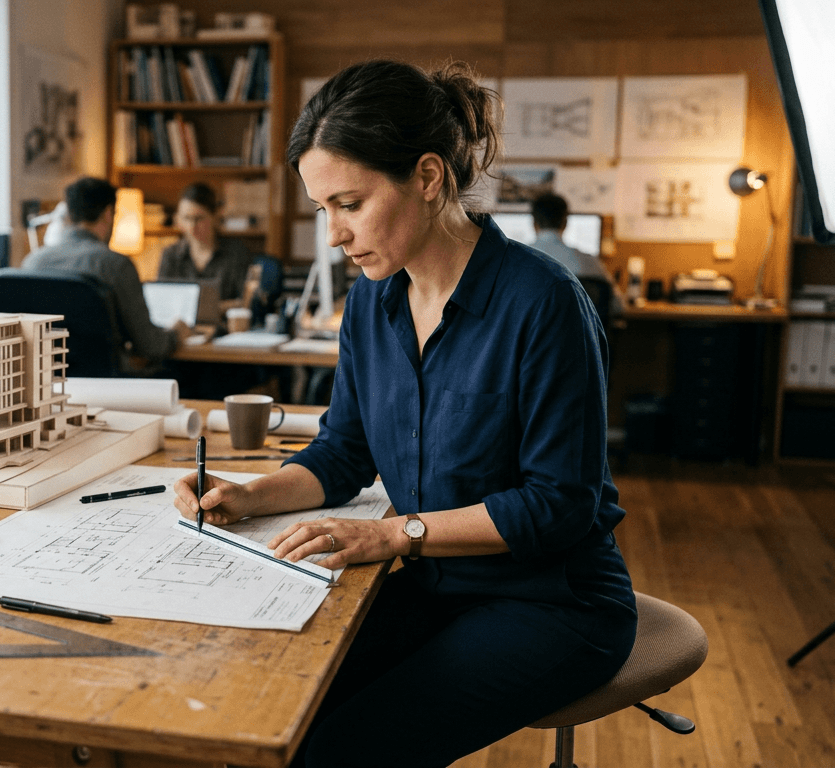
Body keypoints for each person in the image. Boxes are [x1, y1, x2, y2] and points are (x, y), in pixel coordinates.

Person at [172, 59, 637, 767]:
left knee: (342, 751)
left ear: (427, 177)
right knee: (269, 708)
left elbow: (557, 507)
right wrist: (248, 495)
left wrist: (393, 535)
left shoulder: (543, 303)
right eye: (322, 209)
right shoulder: (371, 298)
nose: (334, 234)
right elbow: (343, 452)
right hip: (432, 584)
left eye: (349, 204)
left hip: (552, 602)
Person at [23, 176, 191, 366]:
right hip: (106, 380)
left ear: (68, 214)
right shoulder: (116, 266)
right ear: (108, 214)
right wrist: (176, 333)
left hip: (48, 378)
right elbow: (150, 346)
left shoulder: (32, 263)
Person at [530, 192, 626, 316]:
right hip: (577, 328)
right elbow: (618, 306)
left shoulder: (515, 261)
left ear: (534, 223)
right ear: (565, 223)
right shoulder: (590, 262)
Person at [157, 182, 253, 306]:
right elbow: (162, 300)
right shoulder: (170, 255)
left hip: (223, 318)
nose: (192, 226)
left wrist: (209, 309)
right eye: (186, 218)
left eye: (198, 218)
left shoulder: (237, 253)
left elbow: (245, 301)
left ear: (215, 216)